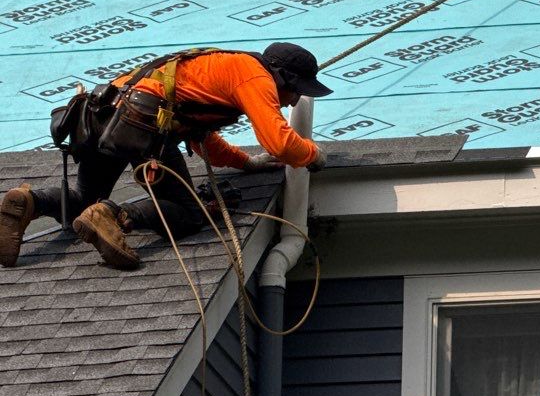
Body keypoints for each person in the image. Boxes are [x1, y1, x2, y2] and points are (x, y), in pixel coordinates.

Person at [0, 43, 331, 270]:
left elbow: (202, 139)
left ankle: (29, 201)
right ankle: (115, 215)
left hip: (100, 116)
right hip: (140, 124)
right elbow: (280, 142)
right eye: (297, 91)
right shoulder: (254, 75)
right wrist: (312, 155)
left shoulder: (220, 67)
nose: (294, 101)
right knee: (188, 213)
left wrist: (245, 162)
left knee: (83, 203)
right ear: (282, 77)